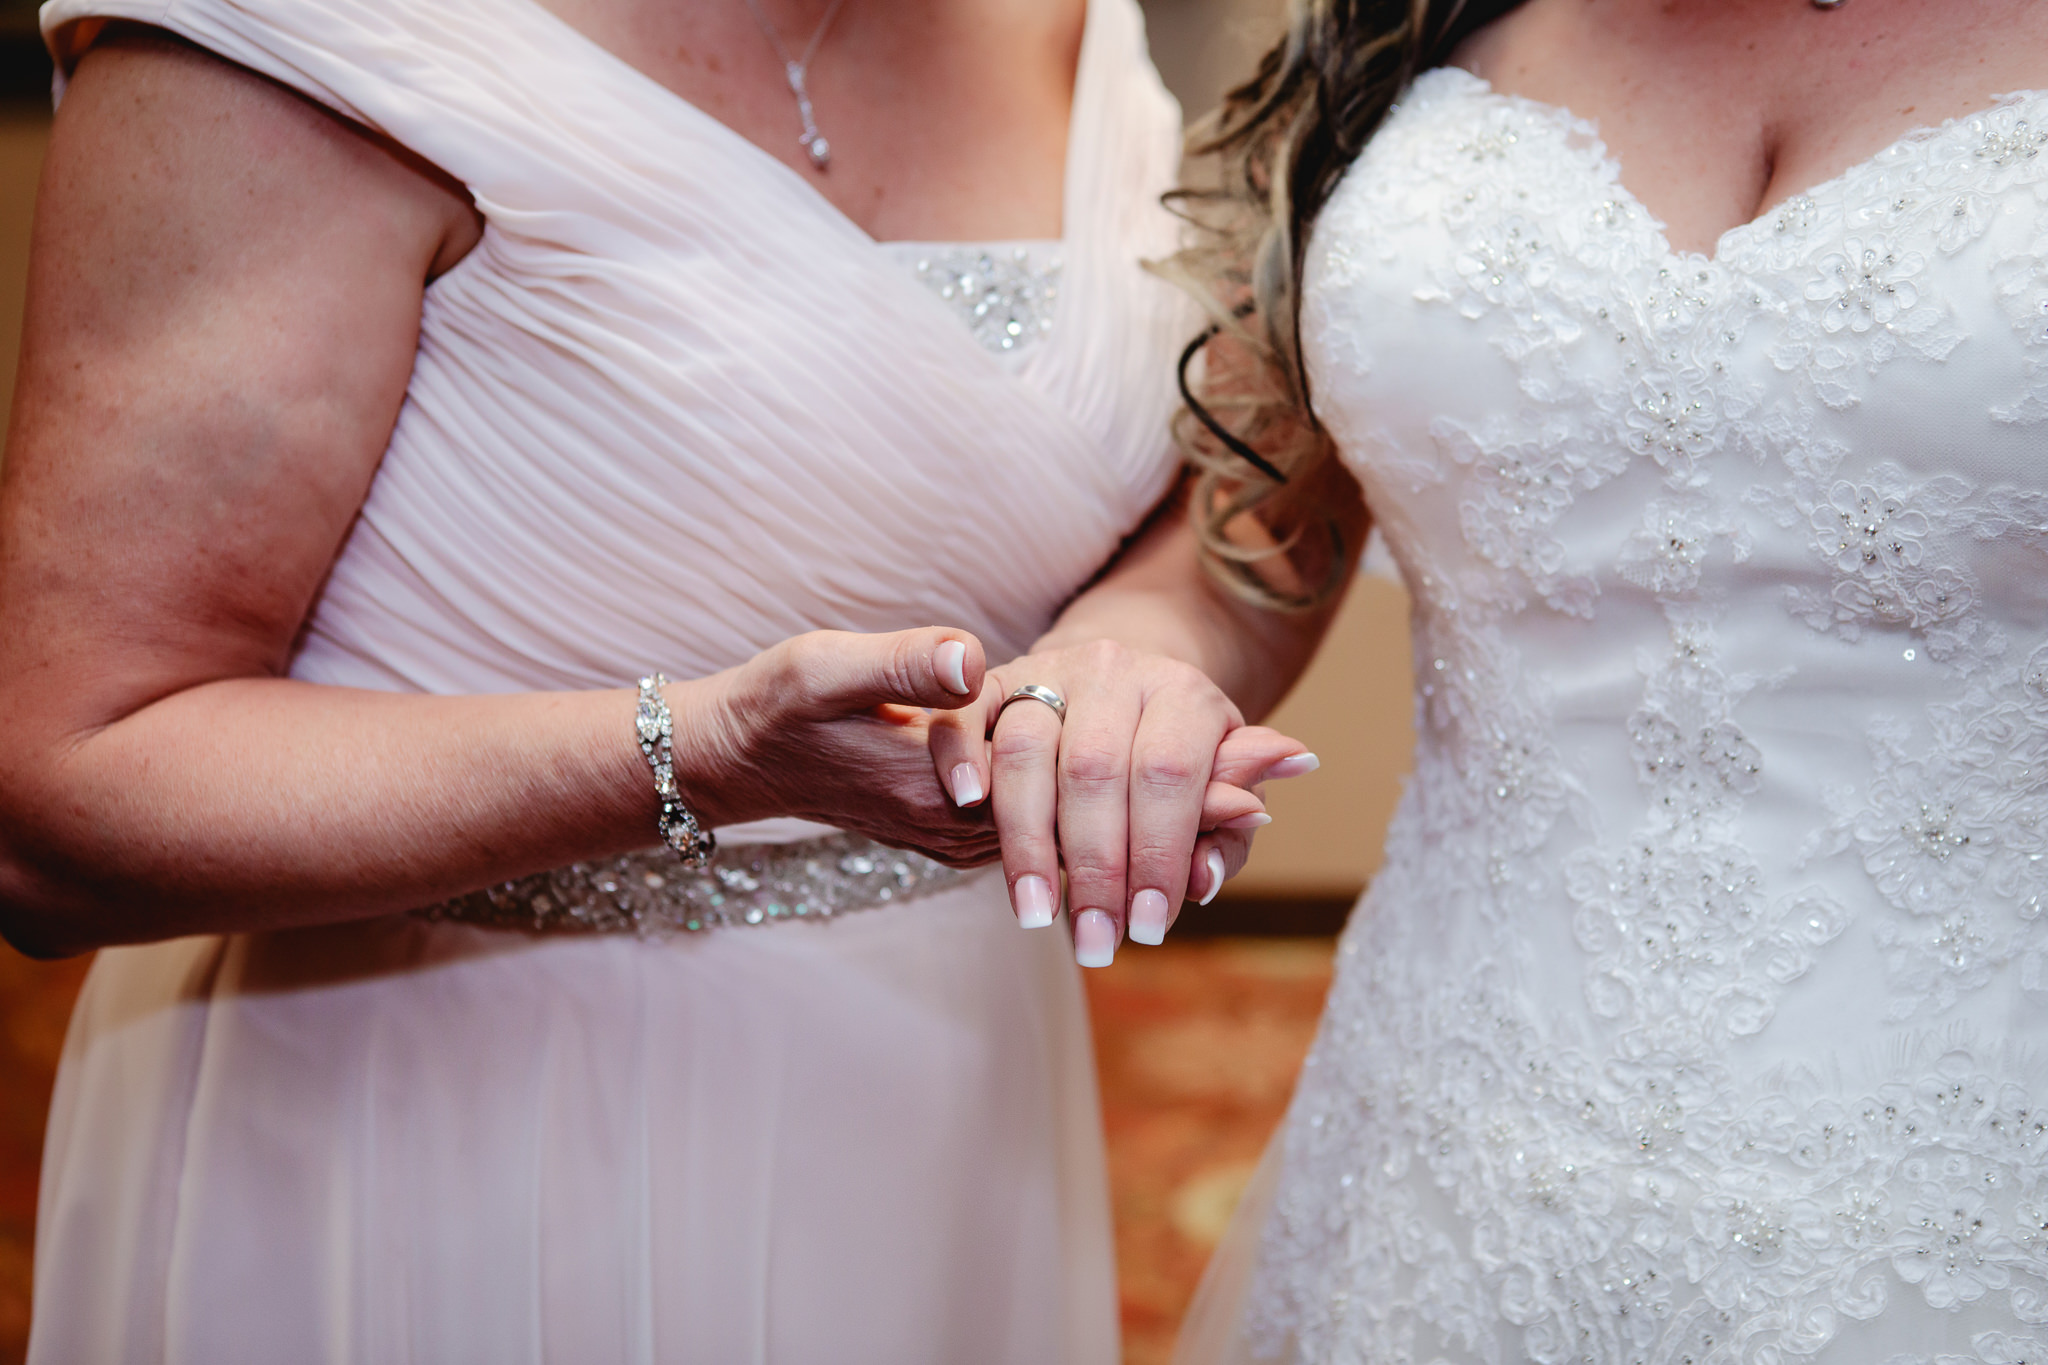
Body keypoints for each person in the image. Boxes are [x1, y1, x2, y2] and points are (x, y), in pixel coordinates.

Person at [0, 0, 1348, 1359]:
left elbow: (1215, 507)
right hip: (453, 1106)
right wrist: (694, 752)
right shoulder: (298, 38)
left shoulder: (1084, 26)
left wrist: (1109, 666)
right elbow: (63, 793)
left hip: (938, 1083)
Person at [1164, 0, 2048, 1361]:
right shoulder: (1400, 30)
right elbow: (1235, 538)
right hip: (1439, 1148)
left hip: (1968, 1191)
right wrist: (1119, 671)